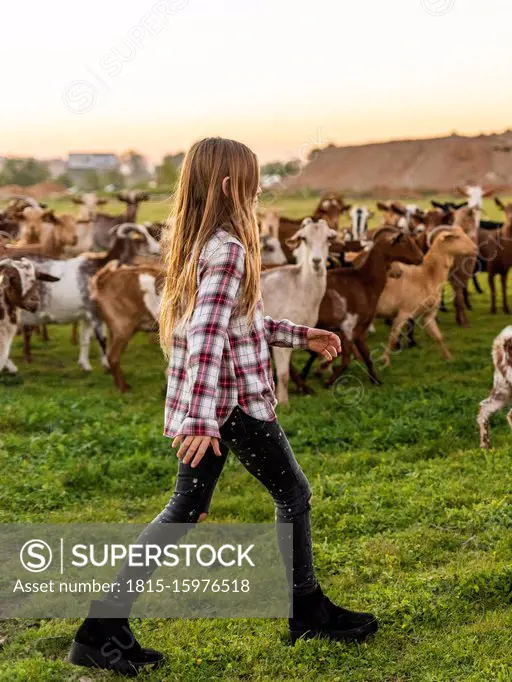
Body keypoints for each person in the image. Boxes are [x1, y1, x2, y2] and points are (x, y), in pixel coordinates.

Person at [68, 137, 377, 676]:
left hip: (207, 400)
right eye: (254, 183)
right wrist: (204, 420)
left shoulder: (198, 244)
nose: (259, 193)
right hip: (229, 403)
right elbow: (209, 335)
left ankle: (101, 629)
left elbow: (237, 324)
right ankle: (307, 612)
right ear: (234, 185)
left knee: (184, 512)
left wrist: (299, 334)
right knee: (294, 494)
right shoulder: (231, 249)